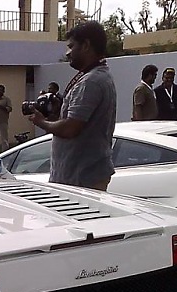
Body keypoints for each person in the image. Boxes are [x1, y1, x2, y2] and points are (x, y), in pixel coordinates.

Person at [28, 20, 116, 191]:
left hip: (81, 179)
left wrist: (42, 122)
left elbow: (70, 128)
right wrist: (54, 117)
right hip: (80, 176)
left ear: (86, 45)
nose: (68, 53)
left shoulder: (91, 81)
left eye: (71, 46)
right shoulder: (96, 76)